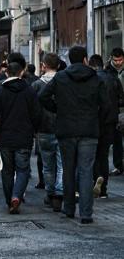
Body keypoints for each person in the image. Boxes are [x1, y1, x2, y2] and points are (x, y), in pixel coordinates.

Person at [39, 46, 109, 224]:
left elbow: (42, 96)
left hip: (66, 129)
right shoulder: (95, 78)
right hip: (89, 131)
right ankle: (86, 213)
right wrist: (95, 118)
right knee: (86, 171)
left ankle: (68, 208)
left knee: (68, 170)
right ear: (85, 59)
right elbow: (106, 105)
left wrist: (58, 110)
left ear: (69, 59)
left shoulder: (61, 77)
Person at [0, 53, 42, 214]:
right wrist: (34, 130)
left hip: (5, 137)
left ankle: (9, 199)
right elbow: (36, 114)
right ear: (21, 72)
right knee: (23, 169)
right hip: (24, 136)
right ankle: (17, 195)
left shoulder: (0, 91)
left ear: (7, 73)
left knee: (7, 170)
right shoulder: (29, 90)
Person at [32, 53, 64, 211]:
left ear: (43, 65)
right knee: (61, 164)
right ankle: (59, 192)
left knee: (47, 165)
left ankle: (50, 192)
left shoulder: (36, 85)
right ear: (58, 66)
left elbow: (33, 109)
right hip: (63, 128)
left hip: (43, 129)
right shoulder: (65, 82)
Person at [89, 54, 122, 198]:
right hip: (110, 122)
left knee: (93, 154)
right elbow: (121, 99)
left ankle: (96, 179)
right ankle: (104, 189)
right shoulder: (113, 78)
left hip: (94, 122)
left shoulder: (91, 79)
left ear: (90, 65)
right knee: (103, 155)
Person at [105, 47, 124, 175]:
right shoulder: (107, 70)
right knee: (117, 139)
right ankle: (118, 165)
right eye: (115, 60)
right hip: (115, 108)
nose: (118, 62)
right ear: (111, 58)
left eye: (120, 60)